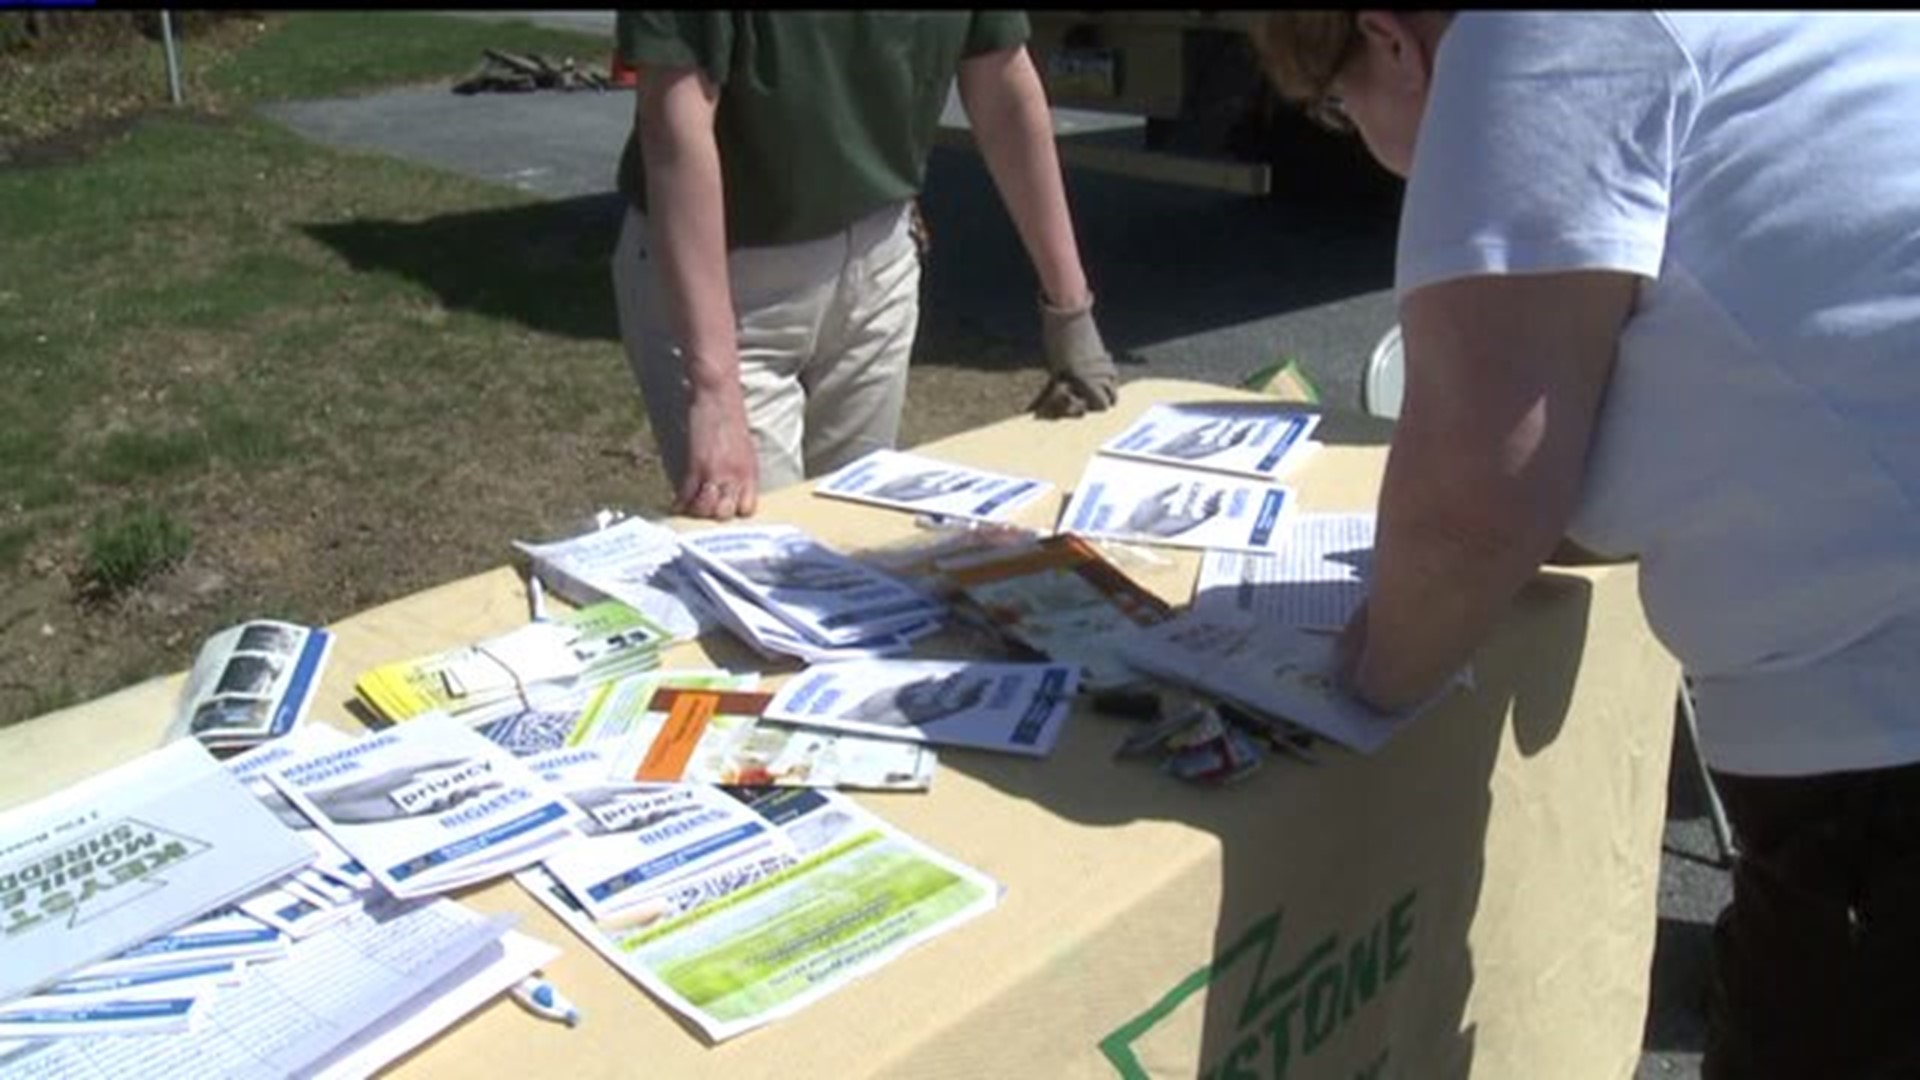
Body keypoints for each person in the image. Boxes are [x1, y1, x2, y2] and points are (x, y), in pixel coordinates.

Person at [1252, 11, 1920, 1078]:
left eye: (1340, 112)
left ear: (1387, 41)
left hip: (1880, 767)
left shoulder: (1529, 36)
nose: (1362, 144)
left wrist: (1345, 684)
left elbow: (1474, 510)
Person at [611, 12, 1120, 523]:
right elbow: (673, 131)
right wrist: (714, 389)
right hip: (729, 291)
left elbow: (1002, 82)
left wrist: (1069, 309)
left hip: (879, 266)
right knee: (763, 559)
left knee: (857, 531)